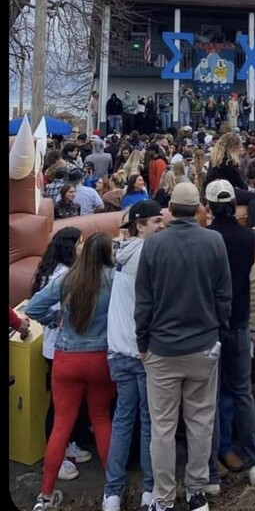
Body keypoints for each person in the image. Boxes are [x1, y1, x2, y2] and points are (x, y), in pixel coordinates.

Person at [135, 182, 232, 511]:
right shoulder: (214, 241)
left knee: (162, 427)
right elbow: (224, 296)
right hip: (203, 347)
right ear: (199, 209)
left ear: (170, 210)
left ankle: (163, 498)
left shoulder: (154, 245)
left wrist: (142, 342)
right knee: (201, 422)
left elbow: (143, 301)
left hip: (162, 349)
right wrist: (219, 330)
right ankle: (196, 491)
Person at [26, 233, 117, 511]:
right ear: (107, 253)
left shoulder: (68, 278)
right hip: (101, 357)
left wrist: (55, 320)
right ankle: (112, 491)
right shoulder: (115, 279)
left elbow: (33, 307)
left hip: (66, 357)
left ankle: (45, 494)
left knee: (62, 424)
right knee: (102, 419)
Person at [203, 180, 255, 492]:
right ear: (233, 205)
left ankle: (214, 464)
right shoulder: (247, 238)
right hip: (241, 320)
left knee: (213, 395)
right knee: (241, 392)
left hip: (213, 325)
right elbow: (252, 280)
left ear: (207, 207)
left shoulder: (206, 239)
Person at [102, 201, 166, 511]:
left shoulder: (123, 252)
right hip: (141, 352)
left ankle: (112, 494)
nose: (160, 225)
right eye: (155, 221)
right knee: (150, 423)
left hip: (117, 351)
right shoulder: (146, 253)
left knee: (124, 421)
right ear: (139, 225)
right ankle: (149, 491)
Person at [30, 228, 91, 482]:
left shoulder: (48, 270)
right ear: (70, 247)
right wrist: (58, 320)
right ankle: (55, 456)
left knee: (67, 404)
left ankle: (69, 445)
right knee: (59, 406)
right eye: (80, 243)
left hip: (56, 347)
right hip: (58, 348)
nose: (83, 246)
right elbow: (47, 308)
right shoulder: (63, 275)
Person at [204, 132, 255, 242]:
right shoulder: (228, 160)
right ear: (233, 146)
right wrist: (247, 187)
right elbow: (240, 183)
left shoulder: (215, 158)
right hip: (224, 189)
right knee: (254, 197)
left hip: (209, 190)